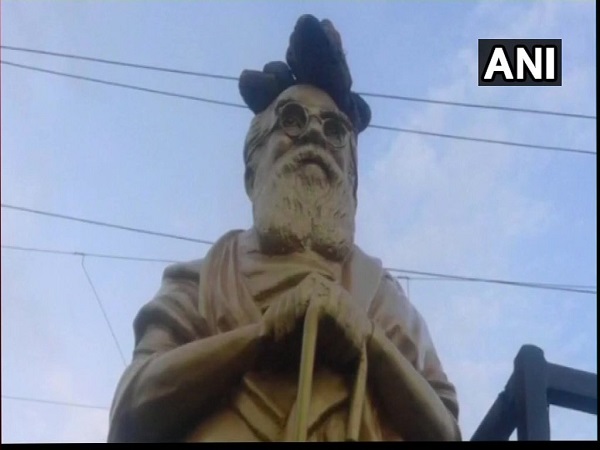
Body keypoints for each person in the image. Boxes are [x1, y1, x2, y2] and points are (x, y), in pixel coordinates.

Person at [108, 16, 461, 443]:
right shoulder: (202, 282)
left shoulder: (384, 300)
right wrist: (261, 337)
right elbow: (130, 415)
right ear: (251, 173)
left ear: (352, 180)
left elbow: (446, 432)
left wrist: (368, 339)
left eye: (335, 130)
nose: (314, 135)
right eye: (292, 120)